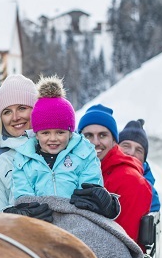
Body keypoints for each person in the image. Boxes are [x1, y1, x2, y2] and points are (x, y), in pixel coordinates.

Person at [7, 77, 117, 222]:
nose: (53, 139)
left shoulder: (84, 154)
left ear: (70, 133)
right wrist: (25, 208)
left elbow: (90, 186)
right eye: (45, 133)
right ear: (37, 134)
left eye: (60, 132)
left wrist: (95, 200)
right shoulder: (24, 159)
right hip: (41, 219)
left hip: (77, 218)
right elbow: (22, 194)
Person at [78, 105, 152, 248]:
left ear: (114, 141)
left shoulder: (131, 181)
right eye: (88, 135)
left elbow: (124, 243)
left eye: (102, 135)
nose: (95, 142)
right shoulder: (72, 170)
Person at [0, 73, 36, 214]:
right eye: (7, 112)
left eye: (22, 108)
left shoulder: (56, 146)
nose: (15, 117)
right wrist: (14, 215)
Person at [117, 119, 161, 213]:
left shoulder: (150, 193)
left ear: (144, 159)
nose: (132, 153)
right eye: (126, 146)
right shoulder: (99, 174)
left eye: (139, 150)